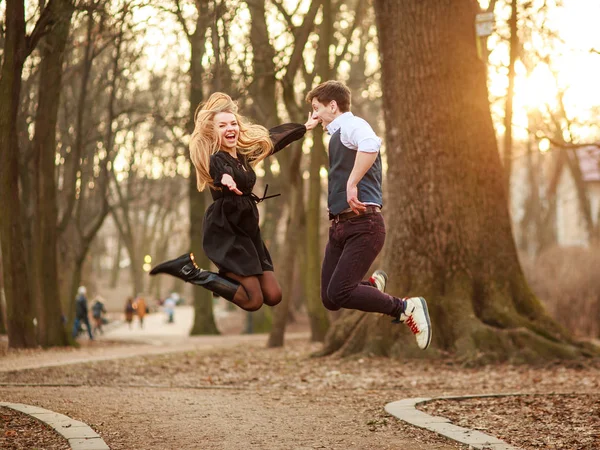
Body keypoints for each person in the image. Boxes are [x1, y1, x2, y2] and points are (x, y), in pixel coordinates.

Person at [149, 92, 314, 311]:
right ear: (213, 131)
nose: (230, 129)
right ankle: (190, 271)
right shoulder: (217, 158)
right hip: (226, 229)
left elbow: (272, 139)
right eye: (222, 125)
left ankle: (225, 280)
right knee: (253, 301)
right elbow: (221, 172)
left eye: (233, 124)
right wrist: (226, 180)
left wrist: (304, 127)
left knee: (273, 295)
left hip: (247, 229)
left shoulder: (244, 155)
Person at [305, 81, 432, 350]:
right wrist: (305, 128)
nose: (315, 116)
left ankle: (405, 307)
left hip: (364, 225)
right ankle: (372, 285)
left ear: (333, 105)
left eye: (317, 109)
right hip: (339, 228)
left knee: (340, 291)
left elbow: (370, 145)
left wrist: (352, 184)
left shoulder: (353, 125)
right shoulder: (336, 135)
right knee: (330, 298)